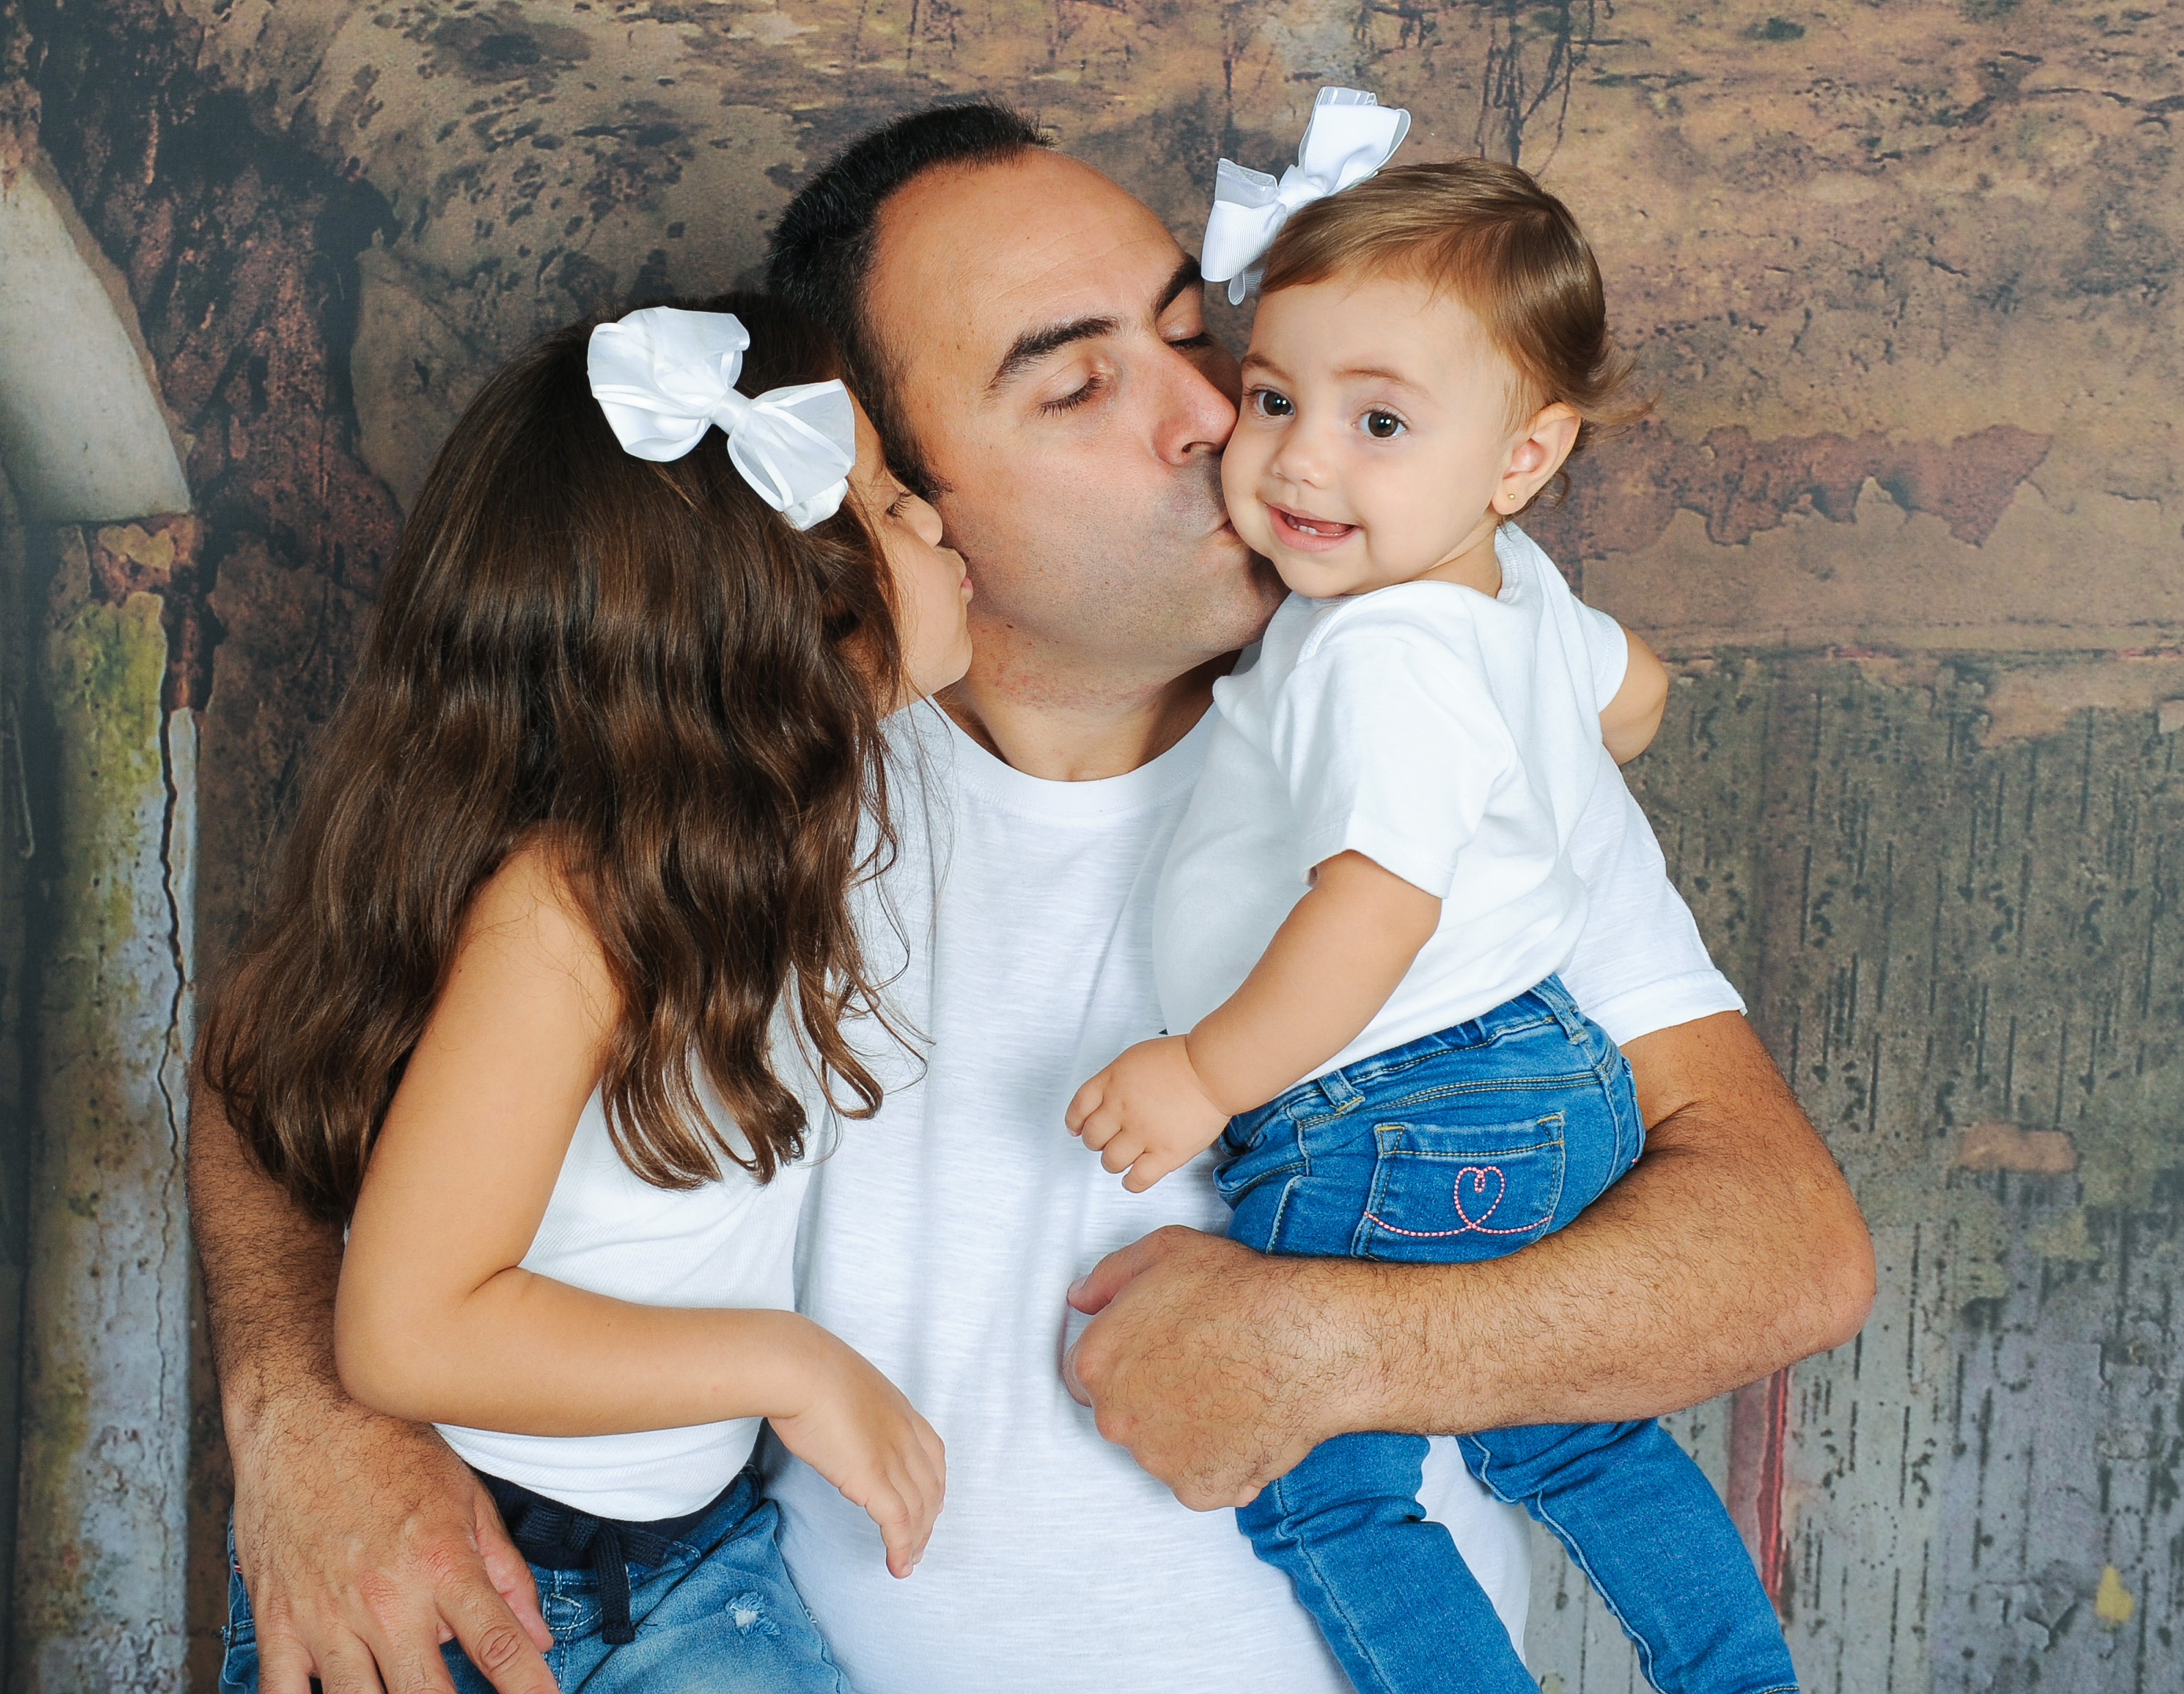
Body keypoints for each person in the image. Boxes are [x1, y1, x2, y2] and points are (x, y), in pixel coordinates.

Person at [191, 101, 1876, 1694]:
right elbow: (293, 1048)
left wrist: (1333, 1350)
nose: (1214, 416)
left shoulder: (1434, 729)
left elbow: (1784, 1253)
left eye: (1198, 336)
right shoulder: (754, 774)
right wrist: (308, 1412)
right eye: (1077, 386)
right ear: (883, 484)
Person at [1064, 136, 1800, 1693]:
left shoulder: (1377, 650)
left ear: (1522, 456)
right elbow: (1637, 695)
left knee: (1324, 1489)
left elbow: (1375, 908)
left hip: (1384, 1100)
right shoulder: (1506, 586)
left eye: (1379, 422)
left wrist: (1201, 1074)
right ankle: (1738, 1674)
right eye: (1274, 399)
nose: (1298, 463)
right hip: (1544, 1072)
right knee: (1575, 1435)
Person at [196, 295, 969, 1693]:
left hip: (692, 1558)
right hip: (482, 1577)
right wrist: (795, 1367)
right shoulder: (571, 911)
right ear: (782, 616)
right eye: (893, 502)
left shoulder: (772, 852)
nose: (937, 520)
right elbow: (410, 1329)